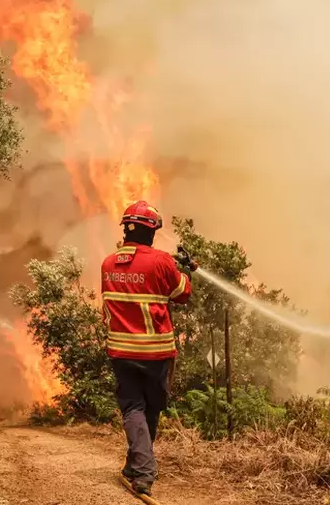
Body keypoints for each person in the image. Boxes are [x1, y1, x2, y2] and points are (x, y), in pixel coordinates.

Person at [101, 200, 197, 496]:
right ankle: (144, 473)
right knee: (149, 407)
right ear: (151, 231)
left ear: (126, 230)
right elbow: (182, 294)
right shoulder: (161, 261)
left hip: (121, 352)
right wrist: (185, 272)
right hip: (156, 353)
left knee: (134, 408)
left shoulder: (108, 263)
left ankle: (135, 465)